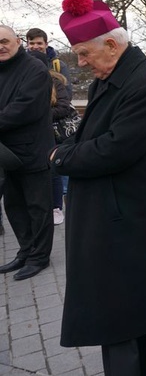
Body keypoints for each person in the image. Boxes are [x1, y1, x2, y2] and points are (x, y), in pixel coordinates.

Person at [49, 0, 146, 374]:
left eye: (84, 54)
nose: (80, 63)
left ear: (111, 44)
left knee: (129, 304)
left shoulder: (141, 84)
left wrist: (61, 157)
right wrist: (71, 146)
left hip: (132, 214)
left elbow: (114, 149)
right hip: (121, 209)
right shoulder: (111, 75)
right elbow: (91, 130)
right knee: (137, 296)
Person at [0, 25, 55, 281]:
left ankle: (39, 257)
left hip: (32, 151)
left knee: (38, 207)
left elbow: (25, 108)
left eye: (4, 41)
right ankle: (25, 251)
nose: (0, 46)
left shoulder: (35, 69)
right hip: (5, 154)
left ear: (18, 41)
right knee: (14, 206)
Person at [27, 49, 71, 226]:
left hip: (53, 134)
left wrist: (39, 114)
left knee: (54, 172)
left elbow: (63, 107)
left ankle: (56, 207)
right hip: (30, 136)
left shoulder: (55, 82)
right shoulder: (22, 82)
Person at [26, 27, 73, 98]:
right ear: (27, 44)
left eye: (39, 43)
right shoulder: (20, 64)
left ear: (46, 44)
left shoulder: (58, 65)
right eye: (32, 43)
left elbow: (67, 93)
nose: (35, 47)